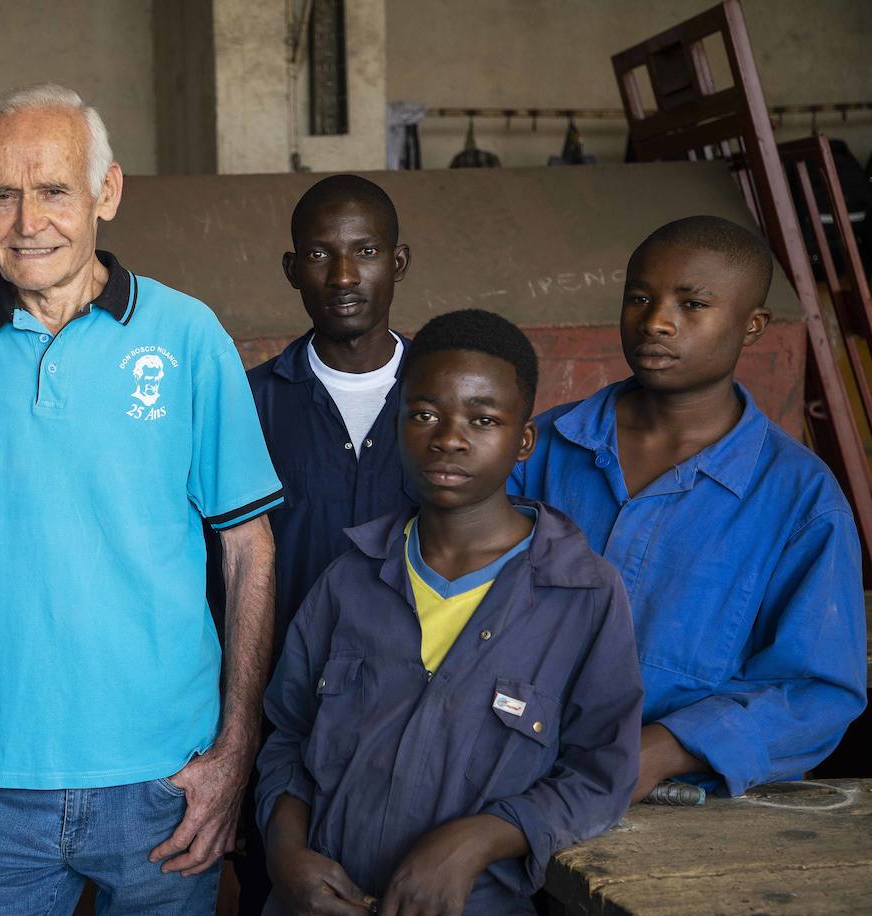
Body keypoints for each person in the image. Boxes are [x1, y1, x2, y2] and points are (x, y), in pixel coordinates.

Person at [0, 84, 282, 914]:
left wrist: (236, 751)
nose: (26, 221)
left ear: (105, 193)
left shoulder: (187, 335)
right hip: (2, 781)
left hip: (167, 777)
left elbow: (248, 548)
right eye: (2, 194)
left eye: (52, 190)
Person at [257, 309, 642, 915]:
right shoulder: (351, 577)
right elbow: (289, 738)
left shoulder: (582, 595)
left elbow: (600, 775)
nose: (449, 438)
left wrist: (476, 842)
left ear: (523, 442)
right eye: (424, 414)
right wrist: (287, 857)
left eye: (483, 419)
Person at [511, 216, 867, 801]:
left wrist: (664, 749)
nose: (656, 321)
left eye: (693, 303)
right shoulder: (541, 447)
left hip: (679, 806)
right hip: (511, 769)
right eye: (640, 298)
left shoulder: (800, 498)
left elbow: (817, 691)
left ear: (752, 326)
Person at [228, 173, 414, 913]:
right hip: (278, 726)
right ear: (291, 269)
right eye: (319, 254)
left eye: (365, 250)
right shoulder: (247, 405)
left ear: (398, 262)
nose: (343, 276)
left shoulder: (452, 401)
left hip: (416, 726)